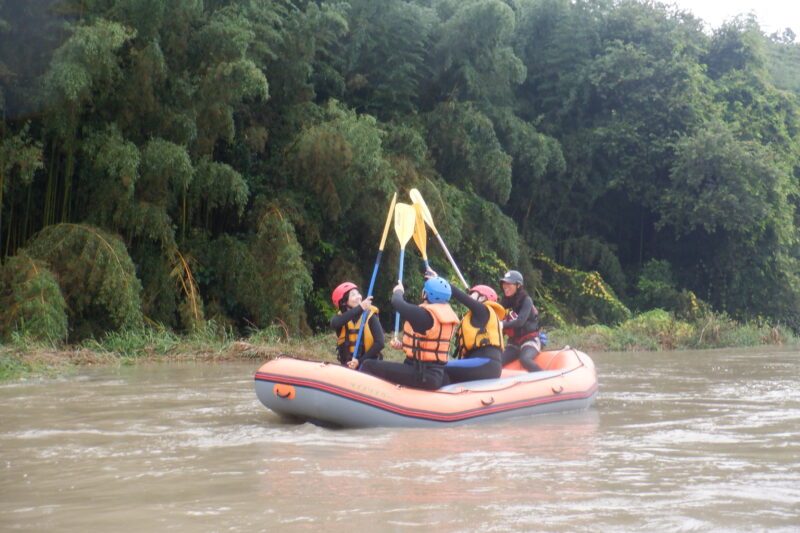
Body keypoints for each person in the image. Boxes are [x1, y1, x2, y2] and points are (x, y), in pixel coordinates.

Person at [359, 274, 459, 390]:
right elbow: (426, 344)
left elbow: (397, 302)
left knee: (369, 365)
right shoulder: (444, 315)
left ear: (425, 294)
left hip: (422, 374)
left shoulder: (424, 315)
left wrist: (398, 291)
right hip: (434, 374)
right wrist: (403, 345)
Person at [446, 282, 506, 384]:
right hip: (481, 362)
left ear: (482, 298)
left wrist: (442, 282)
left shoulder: (483, 310)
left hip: (486, 363)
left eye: (472, 293)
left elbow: (461, 296)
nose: (469, 295)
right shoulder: (479, 315)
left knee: (439, 368)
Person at [329, 282, 384, 369]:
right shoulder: (341, 319)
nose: (358, 296)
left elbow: (380, 343)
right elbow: (334, 323)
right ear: (343, 302)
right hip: (347, 366)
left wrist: (359, 361)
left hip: (368, 365)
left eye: (358, 293)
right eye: (353, 295)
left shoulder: (370, 316)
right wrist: (360, 308)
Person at [499, 270, 543, 372]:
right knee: (497, 362)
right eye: (504, 283)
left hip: (530, 341)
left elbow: (520, 322)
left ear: (518, 285)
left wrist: (501, 325)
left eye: (509, 283)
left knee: (525, 360)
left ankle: (547, 379)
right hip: (513, 343)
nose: (505, 286)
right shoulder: (504, 302)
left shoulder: (526, 300)